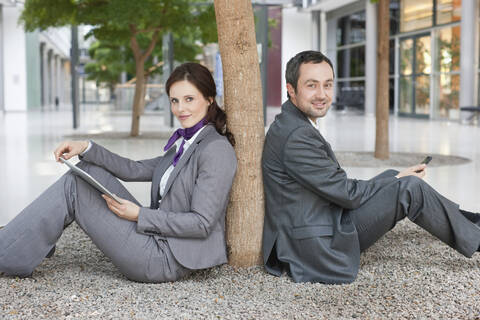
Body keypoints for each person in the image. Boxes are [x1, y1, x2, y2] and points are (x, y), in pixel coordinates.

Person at [0, 62, 237, 283]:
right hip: (158, 238)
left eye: (189, 99)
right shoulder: (186, 143)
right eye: (174, 100)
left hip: (167, 257)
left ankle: (7, 252)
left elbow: (202, 223)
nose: (180, 108)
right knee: (84, 172)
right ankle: (16, 247)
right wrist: (86, 147)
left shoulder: (215, 150)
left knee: (74, 186)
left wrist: (139, 215)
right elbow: (133, 169)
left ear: (209, 99)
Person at [262, 50, 480, 284]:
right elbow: (346, 194)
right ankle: (477, 239)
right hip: (316, 244)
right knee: (408, 188)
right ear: (291, 89)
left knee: (395, 177)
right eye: (311, 86)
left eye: (327, 85)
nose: (322, 94)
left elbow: (338, 188)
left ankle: (471, 222)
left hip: (317, 219)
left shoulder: (292, 122)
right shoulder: (296, 135)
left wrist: (395, 177)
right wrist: (397, 181)